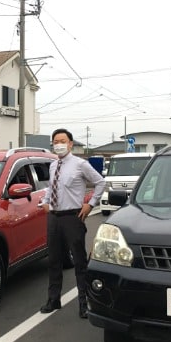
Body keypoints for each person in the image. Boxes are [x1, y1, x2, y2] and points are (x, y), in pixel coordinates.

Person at [39, 128, 105, 319]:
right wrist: (44, 202)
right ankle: (53, 300)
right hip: (54, 217)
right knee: (54, 260)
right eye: (55, 141)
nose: (58, 144)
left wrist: (90, 204)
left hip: (73, 218)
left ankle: (84, 303)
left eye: (62, 141)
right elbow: (51, 187)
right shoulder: (53, 165)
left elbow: (100, 182)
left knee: (79, 262)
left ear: (70, 144)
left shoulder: (80, 164)